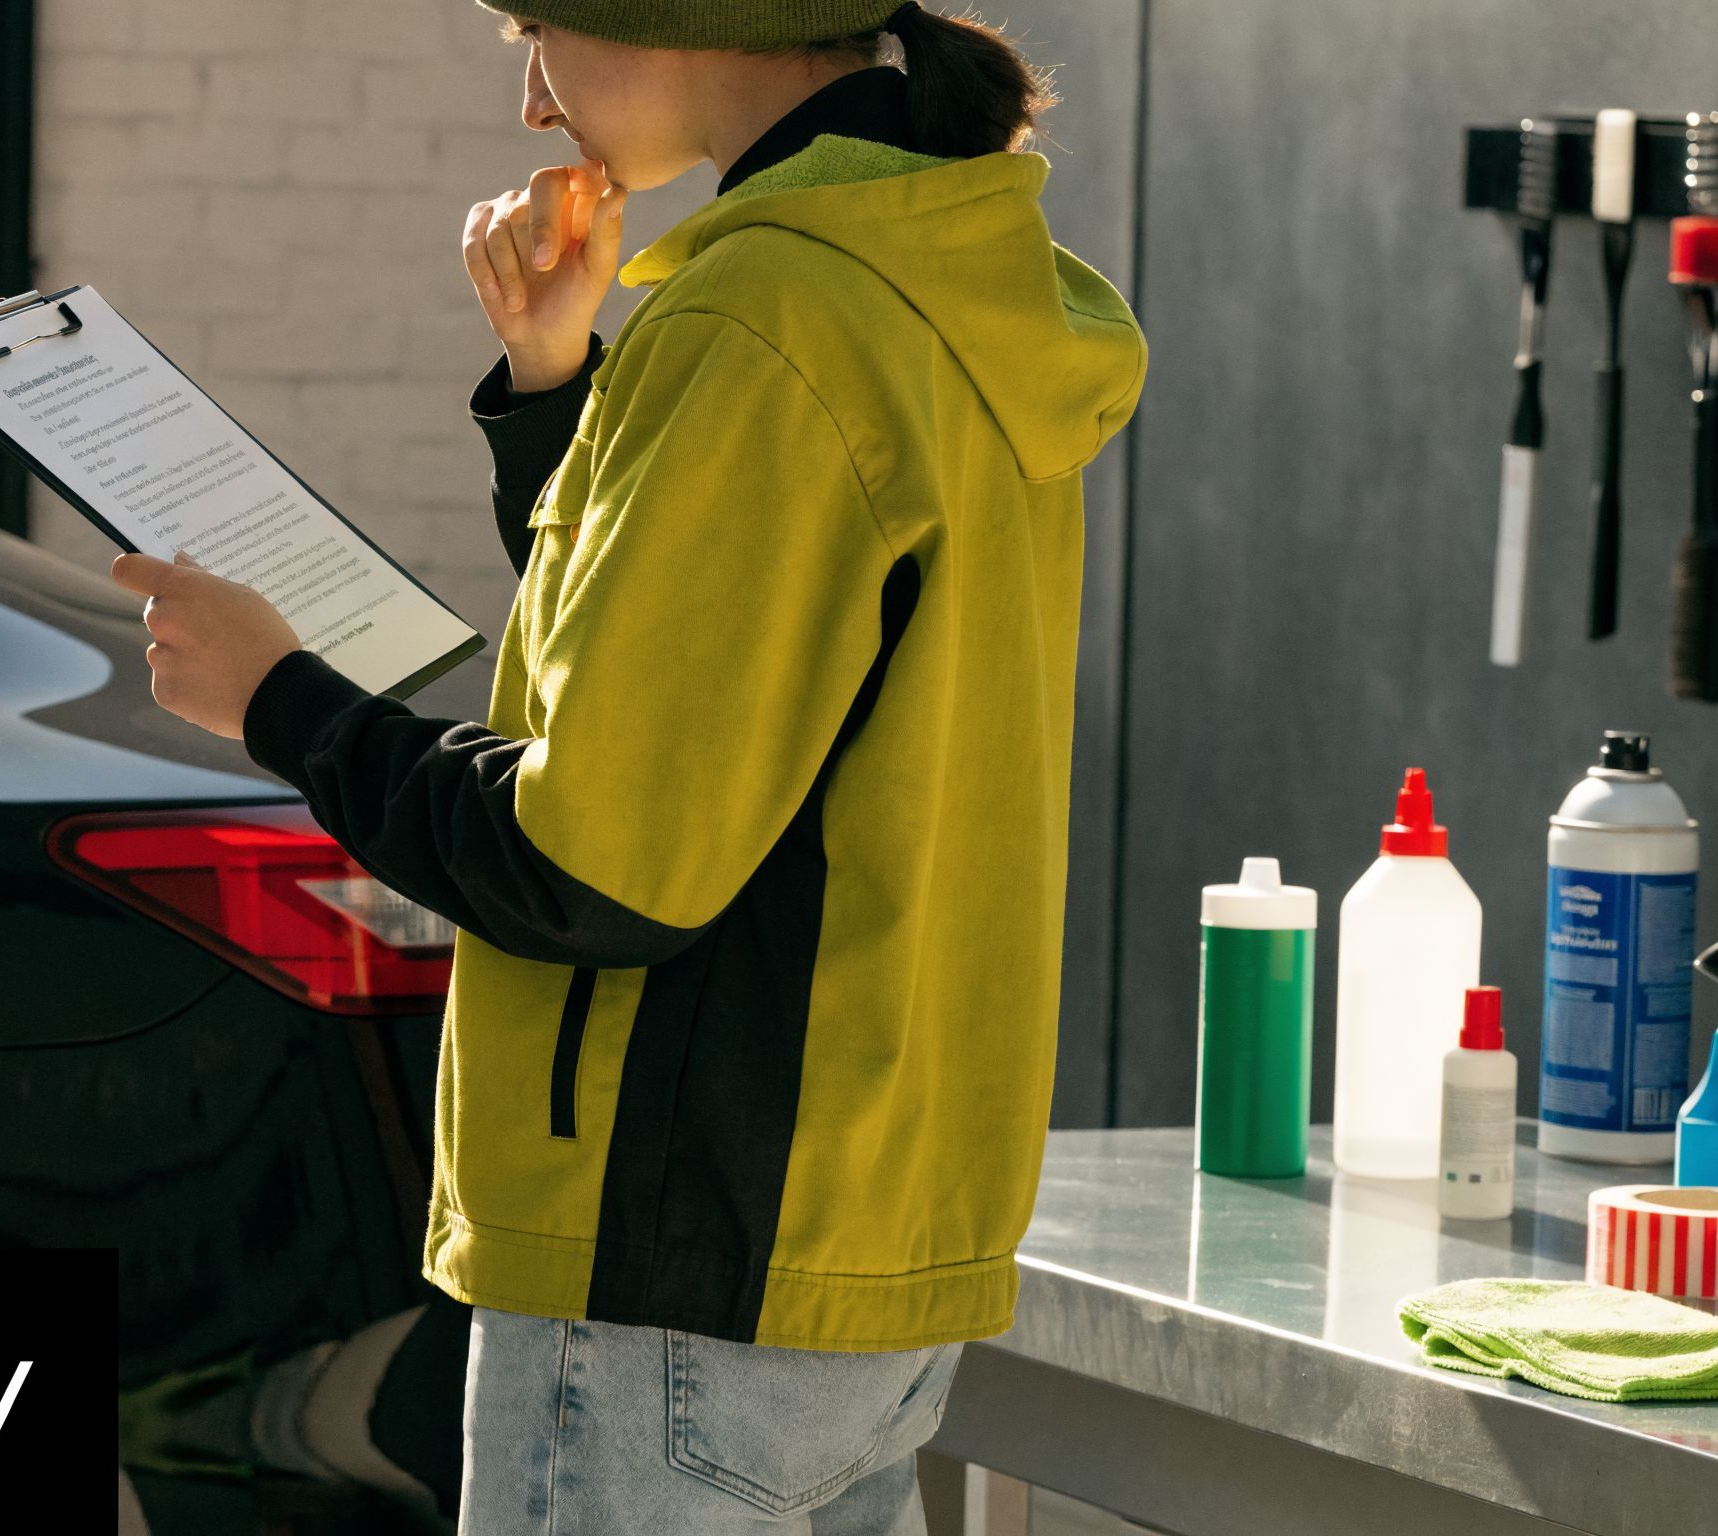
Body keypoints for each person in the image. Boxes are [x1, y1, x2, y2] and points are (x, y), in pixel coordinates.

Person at [112, 2, 1144, 1528]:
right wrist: (553, 387)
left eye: (540, 32)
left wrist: (281, 704)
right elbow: (725, 678)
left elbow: (591, 863)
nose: (535, 103)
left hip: (674, 1274)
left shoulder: (760, 321)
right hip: (858, 1251)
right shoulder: (934, 279)